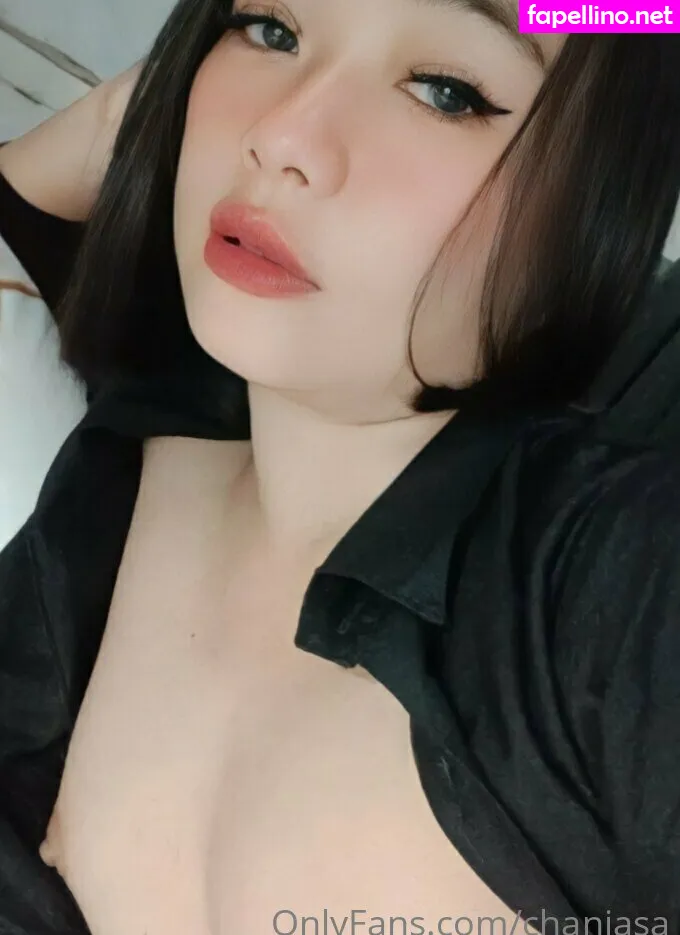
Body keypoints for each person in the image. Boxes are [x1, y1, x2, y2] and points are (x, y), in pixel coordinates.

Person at [0, 1, 679, 932]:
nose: (281, 136)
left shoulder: (616, 580)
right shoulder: (108, 482)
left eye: (446, 91)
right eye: (269, 29)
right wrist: (149, 115)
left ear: (605, 192)